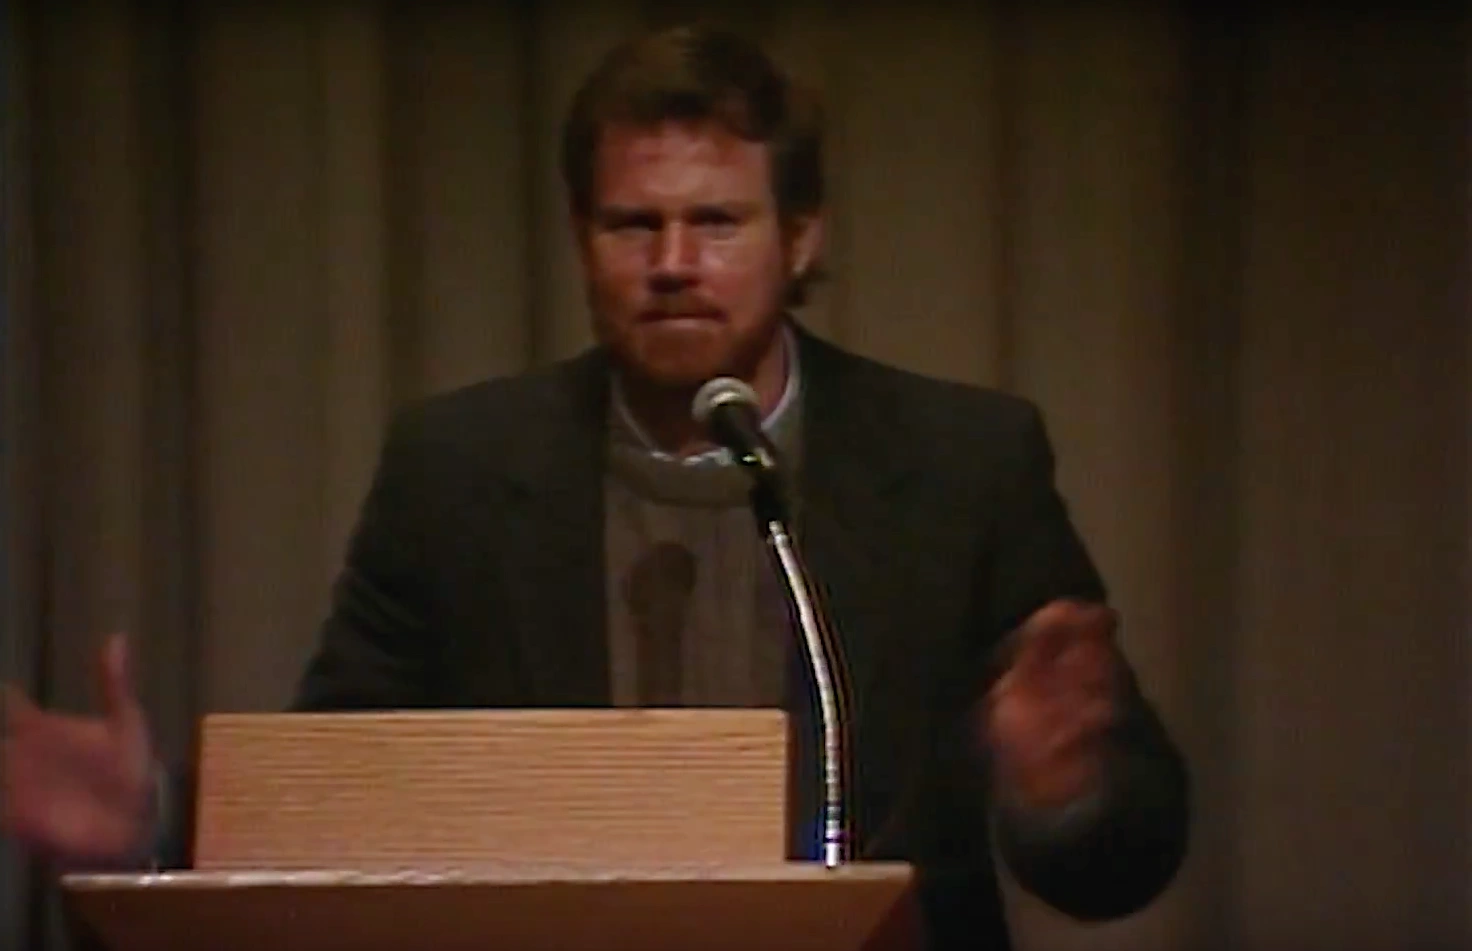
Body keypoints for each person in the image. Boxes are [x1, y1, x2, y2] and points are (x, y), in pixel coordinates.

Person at [2, 24, 1189, 949]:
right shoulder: (457, 471)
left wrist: (1062, 787)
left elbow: (1124, 851)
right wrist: (152, 826)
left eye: (716, 222)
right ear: (582, 239)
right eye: (633, 225)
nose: (673, 264)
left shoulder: (961, 461)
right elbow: (348, 794)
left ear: (802, 238)